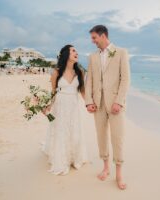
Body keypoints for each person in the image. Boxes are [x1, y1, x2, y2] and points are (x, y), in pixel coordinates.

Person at [85, 25, 131, 190]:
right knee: (101, 137)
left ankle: (119, 173)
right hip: (98, 104)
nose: (93, 41)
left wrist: (119, 101)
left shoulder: (121, 52)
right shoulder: (92, 57)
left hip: (115, 104)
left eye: (94, 38)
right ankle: (106, 167)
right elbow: (89, 80)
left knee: (117, 138)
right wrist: (89, 101)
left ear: (103, 36)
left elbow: (125, 79)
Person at [41, 44, 88, 175]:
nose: (76, 53)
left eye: (76, 51)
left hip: (74, 105)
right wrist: (47, 106)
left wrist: (89, 104)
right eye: (73, 51)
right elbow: (53, 92)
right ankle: (62, 159)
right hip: (60, 106)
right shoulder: (57, 72)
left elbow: (82, 91)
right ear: (66, 54)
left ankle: (74, 158)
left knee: (74, 130)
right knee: (61, 131)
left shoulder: (80, 72)